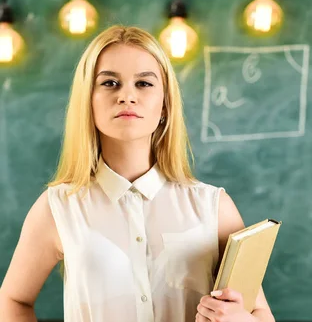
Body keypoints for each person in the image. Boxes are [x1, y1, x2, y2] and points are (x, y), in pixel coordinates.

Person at [0, 25, 275, 322]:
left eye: (144, 84)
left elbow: (259, 313)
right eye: (109, 83)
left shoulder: (215, 208)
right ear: (87, 101)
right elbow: (13, 299)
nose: (127, 96)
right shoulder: (58, 207)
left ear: (165, 105)